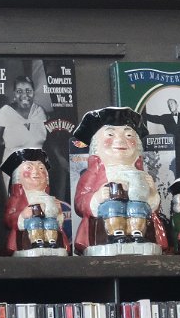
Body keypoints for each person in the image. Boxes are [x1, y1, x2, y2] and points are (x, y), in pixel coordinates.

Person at [71, 106, 167, 255]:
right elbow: (80, 202)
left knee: (140, 209)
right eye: (110, 134)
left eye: (129, 135)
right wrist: (97, 197)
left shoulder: (142, 174)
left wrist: (153, 193)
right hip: (103, 226)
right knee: (111, 208)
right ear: (97, 145)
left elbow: (154, 206)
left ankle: (138, 235)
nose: (120, 140)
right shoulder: (93, 174)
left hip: (141, 221)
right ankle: (116, 234)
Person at [0, 75, 47, 188]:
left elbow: (51, 141)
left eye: (28, 91)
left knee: (38, 198)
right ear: (14, 94)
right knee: (18, 197)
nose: (24, 95)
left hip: (38, 171)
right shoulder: (5, 112)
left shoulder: (40, 112)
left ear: (34, 92)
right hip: (14, 168)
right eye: (19, 91)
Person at [1, 147, 66, 254]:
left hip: (50, 229)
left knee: (51, 223)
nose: (36, 172)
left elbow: (59, 221)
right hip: (27, 235)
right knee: (34, 222)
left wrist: (58, 213)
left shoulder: (49, 198)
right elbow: (8, 219)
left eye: (41, 168)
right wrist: (22, 215)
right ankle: (36, 242)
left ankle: (52, 242)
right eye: (29, 168)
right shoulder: (17, 199)